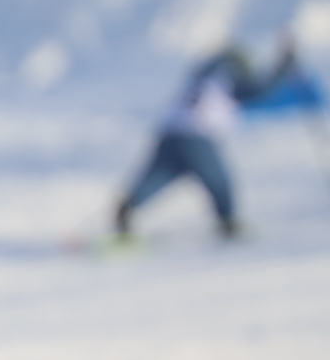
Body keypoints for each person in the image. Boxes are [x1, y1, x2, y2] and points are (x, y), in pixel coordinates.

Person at [115, 35, 300, 239]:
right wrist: (282, 69)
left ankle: (128, 208)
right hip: (198, 135)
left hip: (168, 132)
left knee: (159, 176)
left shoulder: (201, 74)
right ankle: (228, 223)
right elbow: (259, 90)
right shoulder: (230, 73)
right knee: (219, 179)